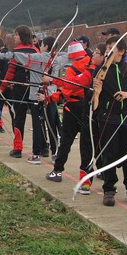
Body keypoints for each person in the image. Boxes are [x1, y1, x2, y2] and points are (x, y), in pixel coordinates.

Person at [93, 36, 127, 207]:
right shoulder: (101, 70)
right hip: (108, 118)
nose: (108, 52)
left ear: (121, 52)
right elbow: (92, 99)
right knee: (110, 155)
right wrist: (96, 90)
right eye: (106, 49)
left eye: (111, 49)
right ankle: (109, 190)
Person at [44, 41, 95, 183]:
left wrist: (51, 85)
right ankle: (90, 177)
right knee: (89, 142)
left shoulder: (71, 69)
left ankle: (57, 171)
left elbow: (68, 90)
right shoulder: (92, 64)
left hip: (72, 108)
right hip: (88, 106)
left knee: (66, 141)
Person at [0, 25, 40, 159]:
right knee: (37, 119)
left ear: (21, 36)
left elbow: (10, 72)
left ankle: (18, 149)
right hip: (35, 89)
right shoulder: (36, 50)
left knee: (19, 118)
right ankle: (41, 149)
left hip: (20, 89)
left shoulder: (17, 52)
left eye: (16, 35)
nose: (14, 37)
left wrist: (1, 89)